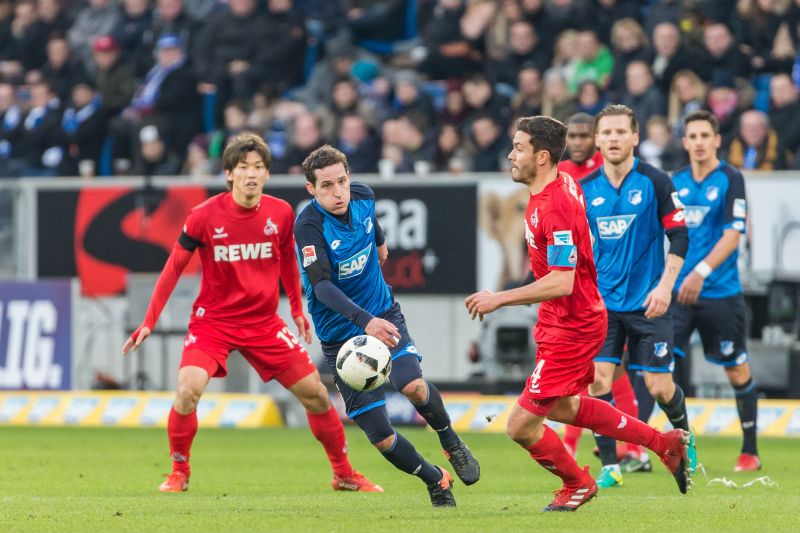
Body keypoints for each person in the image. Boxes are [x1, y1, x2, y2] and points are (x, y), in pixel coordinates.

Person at [122, 132, 381, 494]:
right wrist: (149, 321)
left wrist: (296, 308)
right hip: (214, 322)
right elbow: (173, 269)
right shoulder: (203, 217)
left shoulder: (281, 213)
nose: (251, 174)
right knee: (187, 391)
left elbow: (288, 264)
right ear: (229, 174)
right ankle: (179, 472)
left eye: (258, 167)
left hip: (263, 323)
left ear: (266, 174)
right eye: (243, 167)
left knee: (317, 395)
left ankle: (344, 473)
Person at [465, 116, 690, 513]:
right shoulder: (560, 183)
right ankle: (663, 443)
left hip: (573, 324)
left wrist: (498, 298)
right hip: (562, 319)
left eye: (519, 148)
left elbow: (562, 281)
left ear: (542, 156)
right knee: (565, 408)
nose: (511, 155)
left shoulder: (556, 205)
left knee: (519, 426)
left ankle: (578, 483)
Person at [294, 145, 480, 507]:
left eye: (342, 182)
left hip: (384, 313)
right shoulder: (308, 226)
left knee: (412, 386)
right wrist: (365, 322)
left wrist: (379, 247)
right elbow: (322, 287)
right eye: (327, 186)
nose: (337, 192)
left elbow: (376, 236)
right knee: (380, 436)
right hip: (342, 339)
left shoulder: (363, 196)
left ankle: (450, 440)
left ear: (350, 179)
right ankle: (435, 479)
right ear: (311, 189)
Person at [580, 105, 695, 488]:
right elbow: (577, 249)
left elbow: (679, 236)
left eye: (620, 132)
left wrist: (665, 286)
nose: (613, 138)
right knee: (598, 382)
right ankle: (610, 466)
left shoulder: (656, 181)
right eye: (606, 132)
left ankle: (684, 439)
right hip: (604, 306)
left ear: (634, 137)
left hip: (651, 302)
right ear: (597, 140)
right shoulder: (584, 189)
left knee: (659, 387)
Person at [672, 110, 760, 472]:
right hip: (678, 293)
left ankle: (750, 450)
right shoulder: (674, 181)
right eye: (692, 136)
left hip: (720, 292)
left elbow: (733, 234)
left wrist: (701, 272)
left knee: (736, 369)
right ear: (684, 142)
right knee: (665, 369)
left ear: (717, 140)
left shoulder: (730, 178)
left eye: (704, 136)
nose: (698, 143)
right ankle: (682, 446)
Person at [557, 112, 640, 463]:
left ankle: (577, 444)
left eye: (581, 136)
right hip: (574, 282)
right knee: (602, 369)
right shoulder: (560, 174)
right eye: (570, 137)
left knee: (598, 368)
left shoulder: (605, 172)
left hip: (608, 285)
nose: (576, 142)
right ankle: (632, 447)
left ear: (594, 138)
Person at [558, 112, 603, 179]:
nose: (577, 143)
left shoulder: (608, 165)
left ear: (596, 137)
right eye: (571, 136)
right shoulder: (557, 170)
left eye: (584, 136)